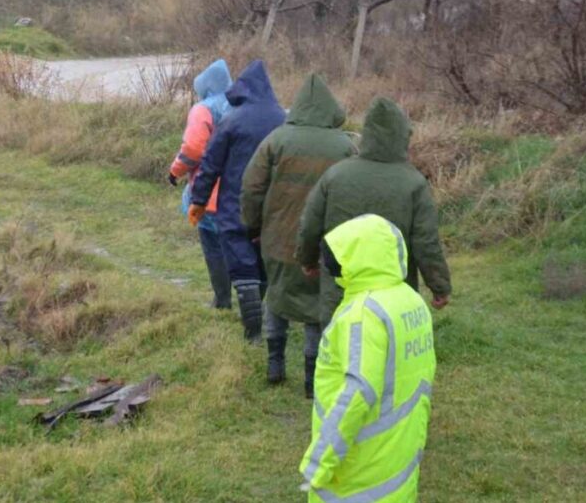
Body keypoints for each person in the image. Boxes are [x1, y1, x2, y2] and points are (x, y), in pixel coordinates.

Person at [298, 214, 437, 502]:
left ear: (356, 258)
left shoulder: (362, 315)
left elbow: (359, 391)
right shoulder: (410, 300)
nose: (330, 264)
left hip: (358, 468)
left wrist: (319, 460)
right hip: (399, 453)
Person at [240, 74, 356, 393]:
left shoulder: (276, 140)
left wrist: (252, 226)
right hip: (325, 244)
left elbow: (251, 188)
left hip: (276, 239)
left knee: (276, 297)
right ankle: (311, 377)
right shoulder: (345, 145)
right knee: (316, 308)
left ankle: (274, 364)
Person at [297, 97, 452, 324]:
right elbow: (426, 242)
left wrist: (307, 260)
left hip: (341, 294)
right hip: (393, 299)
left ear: (366, 135)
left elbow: (310, 225)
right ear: (402, 137)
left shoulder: (335, 175)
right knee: (387, 354)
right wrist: (439, 287)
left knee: (337, 352)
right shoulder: (414, 183)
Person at [190, 59, 285, 342]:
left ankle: (253, 331)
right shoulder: (283, 119)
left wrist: (198, 200)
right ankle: (265, 321)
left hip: (234, 202)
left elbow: (210, 164)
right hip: (272, 206)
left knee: (242, 266)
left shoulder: (233, 120)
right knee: (263, 261)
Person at [168, 59, 234, 309]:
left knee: (213, 245)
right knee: (238, 245)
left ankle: (222, 299)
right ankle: (251, 301)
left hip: (210, 193)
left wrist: (175, 171)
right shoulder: (240, 104)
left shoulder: (204, 109)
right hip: (241, 189)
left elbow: (193, 149)